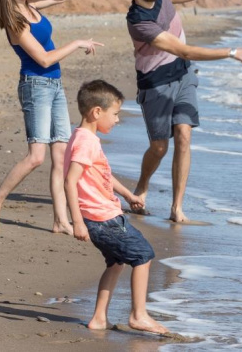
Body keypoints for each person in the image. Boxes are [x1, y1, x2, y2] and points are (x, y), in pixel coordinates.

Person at [118, 0, 242, 223]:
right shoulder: (140, 23)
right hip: (156, 83)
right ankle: (142, 187)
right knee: (159, 148)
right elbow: (183, 49)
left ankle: (177, 208)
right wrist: (230, 52)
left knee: (184, 135)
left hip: (184, 74)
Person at [0, 0, 104, 233]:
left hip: (55, 85)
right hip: (35, 86)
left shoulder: (32, 5)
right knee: (36, 156)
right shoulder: (15, 21)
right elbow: (44, 58)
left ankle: (60, 219)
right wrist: (76, 43)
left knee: (60, 156)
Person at [64, 80, 168, 334]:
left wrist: (127, 195)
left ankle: (99, 318)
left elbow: (103, 176)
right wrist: (76, 221)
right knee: (143, 256)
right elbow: (70, 180)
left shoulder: (82, 138)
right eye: (115, 114)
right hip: (104, 219)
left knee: (116, 263)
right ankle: (138, 314)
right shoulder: (86, 142)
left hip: (101, 217)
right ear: (96, 112)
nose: (117, 120)